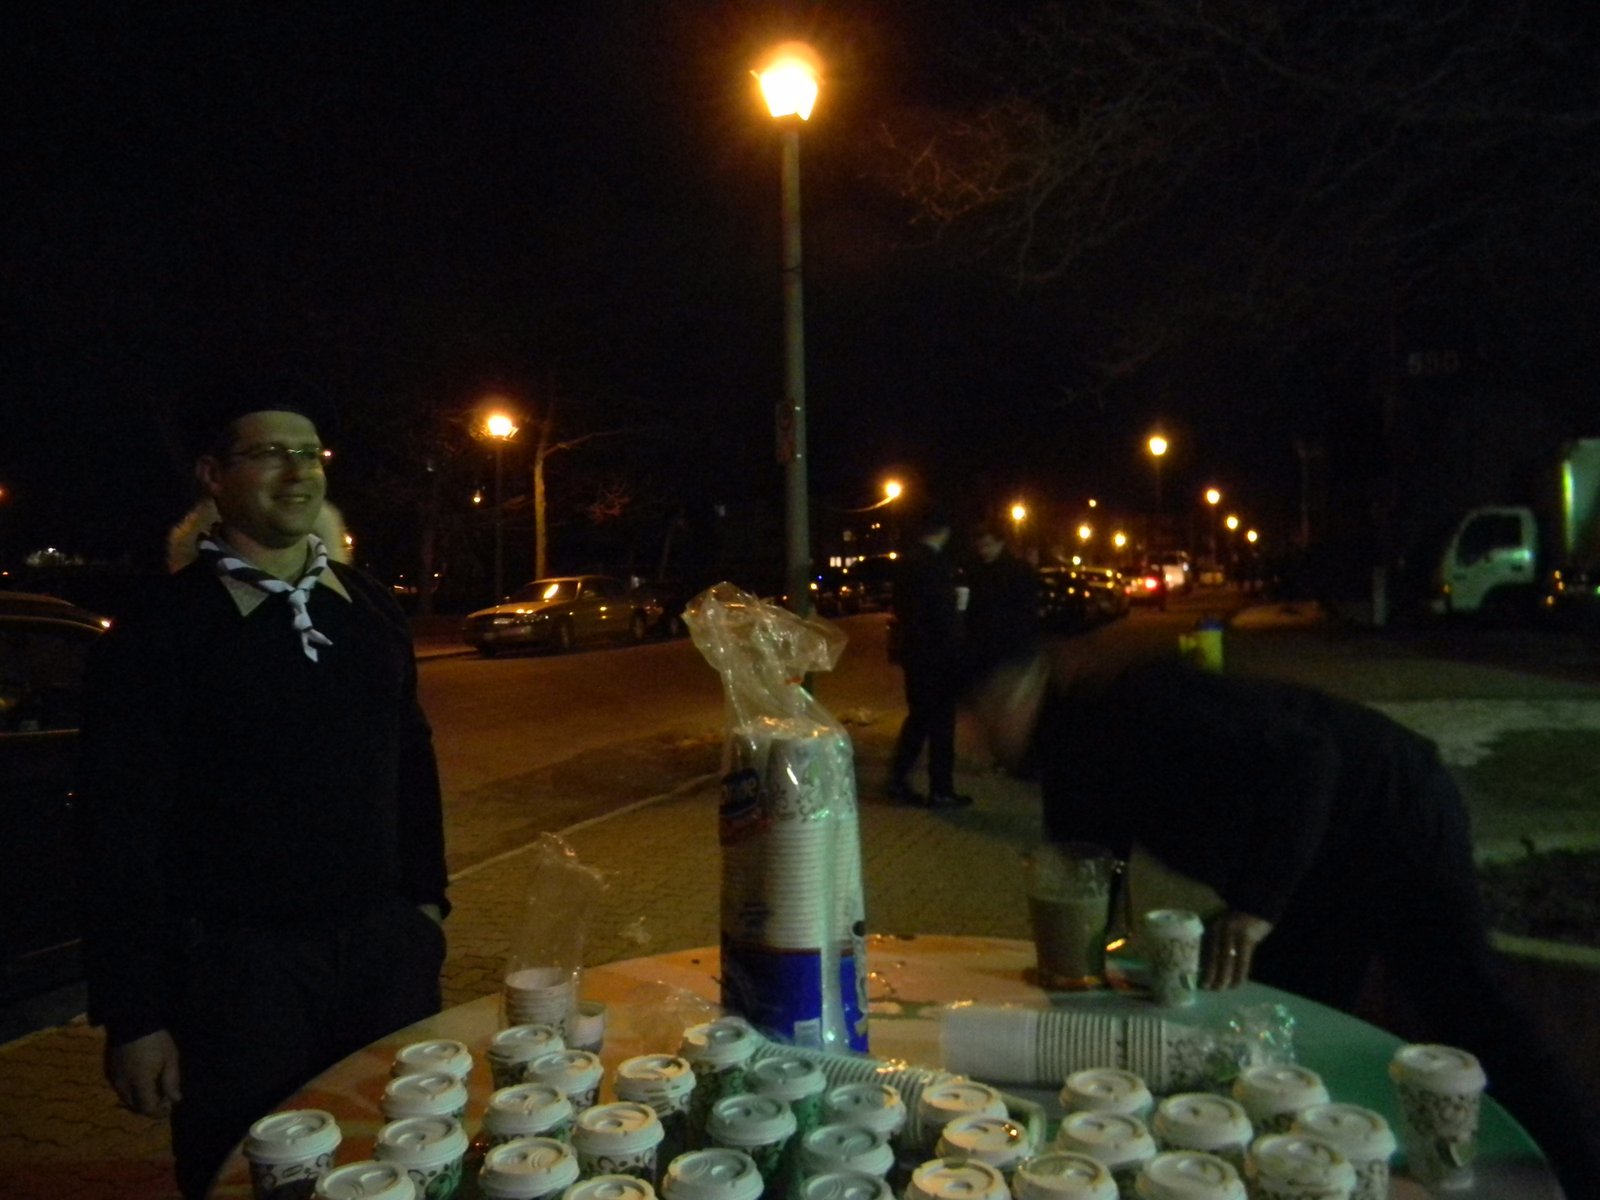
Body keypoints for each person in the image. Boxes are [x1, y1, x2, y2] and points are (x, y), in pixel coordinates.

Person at [963, 644, 1600, 1195]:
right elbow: (1088, 879)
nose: (979, 734)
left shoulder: (1139, 702)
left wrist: (1256, 908)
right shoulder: (1070, 761)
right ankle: (1302, 1167)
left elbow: (1307, 756)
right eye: (971, 718)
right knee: (1281, 1019)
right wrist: (1091, 973)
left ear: (1030, 686)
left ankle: (1580, 1165)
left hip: (1389, 811)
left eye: (988, 711)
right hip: (1312, 868)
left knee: (1466, 1004)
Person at [78, 389, 451, 1199]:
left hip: (381, 954)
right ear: (214, 476)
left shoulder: (367, 609)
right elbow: (118, 828)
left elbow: (411, 764)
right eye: (269, 454)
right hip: (236, 974)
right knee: (249, 1172)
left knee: (399, 1159)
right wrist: (135, 1015)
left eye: (309, 453)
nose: (298, 472)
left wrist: (426, 906)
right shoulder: (159, 631)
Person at [886, 506, 971, 808]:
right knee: (942, 724)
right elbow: (942, 615)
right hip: (938, 655)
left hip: (915, 654)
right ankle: (941, 789)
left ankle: (898, 779)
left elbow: (903, 608)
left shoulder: (907, 562)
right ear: (944, 531)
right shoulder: (936, 565)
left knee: (919, 719)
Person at [963, 522, 1039, 682]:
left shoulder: (1018, 571)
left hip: (1008, 644)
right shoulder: (977, 570)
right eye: (980, 546)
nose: (984, 551)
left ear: (1000, 543)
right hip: (983, 644)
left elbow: (1026, 610)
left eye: (988, 545)